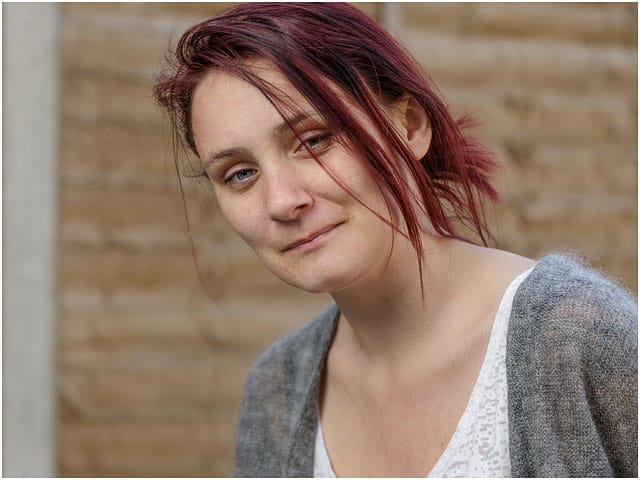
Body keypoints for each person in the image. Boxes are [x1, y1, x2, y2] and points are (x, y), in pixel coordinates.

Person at [153, 3, 637, 477]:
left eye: (314, 140)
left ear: (409, 126)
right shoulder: (276, 393)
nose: (281, 201)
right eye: (239, 174)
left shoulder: (578, 339)